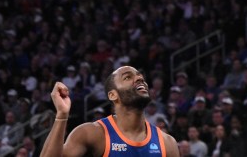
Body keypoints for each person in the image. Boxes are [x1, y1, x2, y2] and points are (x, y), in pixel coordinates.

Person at [39, 65, 180, 157]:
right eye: (127, 77)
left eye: (140, 77)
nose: (139, 78)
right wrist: (62, 116)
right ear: (113, 95)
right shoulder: (92, 133)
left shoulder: (167, 143)